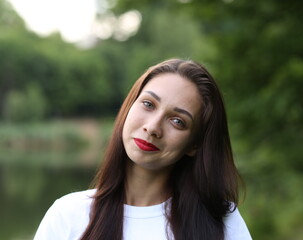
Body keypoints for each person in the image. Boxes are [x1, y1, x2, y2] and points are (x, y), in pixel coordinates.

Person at [34, 59, 252, 240]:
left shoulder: (222, 224)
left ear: (194, 144)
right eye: (148, 105)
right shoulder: (68, 216)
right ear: (129, 106)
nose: (153, 127)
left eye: (177, 121)